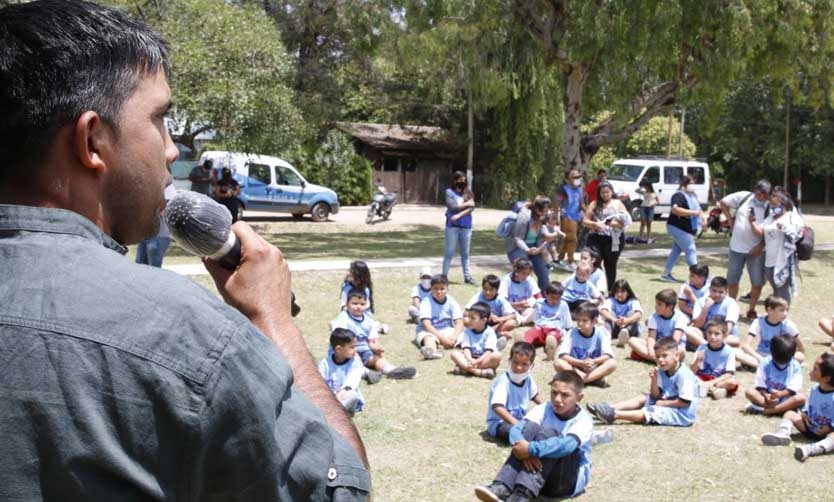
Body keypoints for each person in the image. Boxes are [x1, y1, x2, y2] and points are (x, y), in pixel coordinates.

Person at [0, 1, 369, 499]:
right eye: (159, 120)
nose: (172, 150)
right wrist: (273, 322)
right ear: (92, 140)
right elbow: (343, 488)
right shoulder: (190, 338)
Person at [475, 372, 594, 502]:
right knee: (530, 428)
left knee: (550, 434)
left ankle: (522, 495)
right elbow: (517, 429)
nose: (557, 399)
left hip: (565, 483)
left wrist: (530, 449)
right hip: (542, 478)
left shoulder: (584, 420)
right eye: (554, 393)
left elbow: (566, 446)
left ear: (579, 398)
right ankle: (503, 486)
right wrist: (524, 451)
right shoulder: (544, 408)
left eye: (565, 395)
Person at [587, 336, 699, 427]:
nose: (660, 360)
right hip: (666, 401)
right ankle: (609, 408)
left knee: (652, 412)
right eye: (658, 356)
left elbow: (685, 402)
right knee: (643, 398)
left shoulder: (685, 376)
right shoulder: (662, 370)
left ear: (677, 356)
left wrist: (663, 403)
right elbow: (656, 395)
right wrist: (654, 381)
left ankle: (614, 415)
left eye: (665, 356)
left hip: (681, 413)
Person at [760, 353, 834, 461]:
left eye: (815, 369)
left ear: (827, 378)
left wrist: (830, 427)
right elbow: (809, 406)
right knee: (790, 414)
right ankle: (783, 434)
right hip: (811, 427)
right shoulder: (815, 389)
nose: (811, 371)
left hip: (827, 432)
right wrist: (804, 414)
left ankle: (811, 449)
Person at [332, 289, 416, 380]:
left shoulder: (368, 320)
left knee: (377, 358)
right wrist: (351, 350)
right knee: (354, 358)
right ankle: (366, 373)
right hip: (347, 350)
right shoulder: (343, 318)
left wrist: (376, 347)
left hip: (365, 350)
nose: (358, 307)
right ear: (347, 305)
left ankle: (391, 370)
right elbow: (338, 337)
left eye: (362, 304)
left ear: (366, 305)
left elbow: (373, 339)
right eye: (355, 303)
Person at [718, 179, 772, 319]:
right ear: (756, 192)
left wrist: (760, 246)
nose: (764, 197)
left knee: (757, 282)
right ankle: (732, 307)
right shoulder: (744, 196)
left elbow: (771, 232)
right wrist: (730, 220)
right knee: (732, 280)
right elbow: (723, 202)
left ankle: (752, 309)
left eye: (766, 195)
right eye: (761, 194)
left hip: (757, 251)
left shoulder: (769, 207)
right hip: (736, 248)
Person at [749, 187, 804, 304]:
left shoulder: (791, 216)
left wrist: (784, 228)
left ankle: (782, 316)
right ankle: (777, 315)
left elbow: (798, 233)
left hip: (783, 261)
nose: (772, 207)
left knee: (782, 291)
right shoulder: (771, 217)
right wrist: (752, 222)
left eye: (775, 205)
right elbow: (761, 231)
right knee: (776, 290)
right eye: (771, 205)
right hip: (769, 261)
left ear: (783, 204)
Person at [485, 342, 544, 444]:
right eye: (515, 362)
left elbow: (535, 397)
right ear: (509, 361)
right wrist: (517, 424)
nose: (519, 367)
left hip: (520, 422)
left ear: (532, 366)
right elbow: (497, 407)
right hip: (500, 423)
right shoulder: (503, 382)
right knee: (515, 432)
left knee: (541, 428)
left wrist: (549, 409)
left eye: (524, 364)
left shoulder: (528, 380)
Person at [582, 181, 631, 295]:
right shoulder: (594, 204)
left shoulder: (618, 203)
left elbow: (626, 221)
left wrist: (614, 224)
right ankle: (595, 290)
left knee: (610, 265)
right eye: (602, 192)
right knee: (594, 262)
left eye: (607, 192)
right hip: (596, 237)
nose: (605, 195)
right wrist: (594, 224)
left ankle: (610, 291)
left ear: (611, 192)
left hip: (614, 239)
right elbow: (585, 221)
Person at [554, 303, 617, 387]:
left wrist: (594, 361)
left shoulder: (601, 333)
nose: (580, 323)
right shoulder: (572, 333)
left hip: (593, 367)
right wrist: (581, 363)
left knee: (612, 363)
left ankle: (583, 380)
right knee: (558, 363)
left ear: (594, 321)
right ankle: (593, 379)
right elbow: (563, 355)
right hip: (576, 368)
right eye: (578, 320)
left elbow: (608, 355)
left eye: (584, 320)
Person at [743, 334, 805, 416]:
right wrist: (766, 395)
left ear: (793, 355)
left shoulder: (795, 366)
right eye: (778, 359)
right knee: (749, 392)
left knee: (801, 398)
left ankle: (765, 410)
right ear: (771, 352)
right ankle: (778, 409)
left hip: (785, 398)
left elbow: (793, 388)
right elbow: (760, 383)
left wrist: (780, 394)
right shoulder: (765, 363)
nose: (781, 362)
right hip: (767, 398)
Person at [737, 295, 804, 369]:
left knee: (800, 356)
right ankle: (772, 366)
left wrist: (786, 356)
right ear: (770, 310)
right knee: (735, 353)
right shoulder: (759, 322)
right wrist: (760, 359)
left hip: (780, 358)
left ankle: (763, 366)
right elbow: (746, 346)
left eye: (786, 310)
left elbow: (801, 348)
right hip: (761, 356)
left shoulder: (788, 324)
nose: (785, 313)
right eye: (781, 310)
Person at [505, 196, 553, 291]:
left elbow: (541, 235)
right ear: (537, 209)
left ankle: (544, 299)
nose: (547, 212)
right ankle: (517, 294)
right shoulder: (525, 216)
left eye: (547, 209)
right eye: (544, 210)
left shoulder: (543, 217)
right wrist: (527, 250)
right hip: (518, 247)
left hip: (535, 248)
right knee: (523, 271)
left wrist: (543, 245)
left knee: (544, 274)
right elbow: (518, 238)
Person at [660, 175, 704, 283]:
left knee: (676, 250)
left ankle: (666, 274)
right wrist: (693, 213)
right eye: (691, 183)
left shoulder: (693, 195)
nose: (693, 186)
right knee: (690, 249)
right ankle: (697, 275)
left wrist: (703, 222)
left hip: (688, 227)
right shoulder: (678, 195)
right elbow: (675, 210)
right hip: (677, 227)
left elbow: (699, 210)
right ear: (684, 184)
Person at [319, 328, 371, 414]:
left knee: (352, 395)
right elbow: (320, 382)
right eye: (352, 347)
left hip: (346, 396)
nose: (355, 350)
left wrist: (341, 393)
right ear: (339, 349)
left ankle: (335, 411)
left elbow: (351, 382)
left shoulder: (355, 363)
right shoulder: (325, 364)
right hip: (330, 398)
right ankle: (332, 409)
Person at [628, 289, 687, 363]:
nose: (656, 307)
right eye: (656, 304)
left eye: (659, 304)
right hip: (657, 348)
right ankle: (659, 360)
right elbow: (651, 338)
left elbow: (675, 340)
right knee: (632, 340)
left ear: (670, 307)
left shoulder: (680, 317)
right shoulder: (653, 317)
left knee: (681, 351)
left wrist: (664, 352)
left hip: (672, 348)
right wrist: (651, 351)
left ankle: (657, 359)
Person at [416, 274, 464, 360]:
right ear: (431, 288)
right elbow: (426, 325)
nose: (439, 292)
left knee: (465, 335)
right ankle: (432, 351)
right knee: (428, 338)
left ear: (447, 289)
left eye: (442, 289)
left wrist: (453, 337)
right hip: (430, 331)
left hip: (447, 330)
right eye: (436, 289)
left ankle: (466, 349)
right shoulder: (426, 302)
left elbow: (459, 322)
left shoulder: (452, 301)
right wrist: (443, 339)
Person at [684, 276, 741, 348]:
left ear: (726, 292)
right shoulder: (701, 302)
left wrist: (716, 338)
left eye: (721, 292)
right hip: (705, 335)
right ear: (709, 290)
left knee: (735, 341)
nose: (717, 295)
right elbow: (697, 325)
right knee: (686, 330)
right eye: (714, 291)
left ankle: (704, 345)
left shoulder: (731, 303)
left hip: (723, 336)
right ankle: (708, 346)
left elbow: (729, 328)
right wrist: (706, 307)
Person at [522, 281, 573, 361]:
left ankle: (550, 350)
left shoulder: (563, 304)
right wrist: (524, 320)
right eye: (552, 298)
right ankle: (522, 347)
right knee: (530, 333)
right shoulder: (539, 302)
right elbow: (534, 314)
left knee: (552, 336)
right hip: (540, 326)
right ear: (546, 294)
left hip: (554, 328)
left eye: (558, 298)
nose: (555, 301)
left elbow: (567, 317)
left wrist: (568, 328)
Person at [450, 302, 502, 379]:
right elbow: (466, 348)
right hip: (470, 358)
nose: (469, 320)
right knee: (454, 354)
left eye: (473, 318)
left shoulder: (490, 332)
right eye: (469, 317)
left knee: (497, 356)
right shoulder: (467, 331)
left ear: (484, 320)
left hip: (484, 359)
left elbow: (488, 351)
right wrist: (470, 360)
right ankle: (479, 372)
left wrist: (477, 362)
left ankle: (465, 369)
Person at [690, 319, 739, 400]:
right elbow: (692, 371)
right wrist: (697, 361)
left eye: (717, 334)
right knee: (686, 377)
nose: (712, 337)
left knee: (732, 382)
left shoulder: (729, 351)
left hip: (719, 379)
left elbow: (729, 374)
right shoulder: (702, 348)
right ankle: (712, 390)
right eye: (709, 333)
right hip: (702, 378)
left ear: (725, 335)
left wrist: (711, 382)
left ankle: (707, 388)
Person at [443, 170, 476, 285]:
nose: (462, 182)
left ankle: (467, 277)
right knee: (449, 252)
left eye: (464, 180)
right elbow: (452, 207)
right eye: (460, 180)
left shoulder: (468, 192)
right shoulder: (449, 192)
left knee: (465, 253)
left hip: (466, 226)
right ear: (455, 180)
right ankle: (444, 277)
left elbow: (472, 208)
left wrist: (458, 215)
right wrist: (467, 204)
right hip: (452, 227)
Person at [465, 274, 518, 342]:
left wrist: (499, 319)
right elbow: (466, 312)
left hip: (495, 325)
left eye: (491, 290)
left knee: (512, 323)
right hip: (480, 323)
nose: (488, 292)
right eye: (485, 289)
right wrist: (482, 315)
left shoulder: (500, 299)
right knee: (466, 320)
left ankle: (491, 334)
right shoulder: (478, 296)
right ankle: (496, 335)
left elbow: (513, 315)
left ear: (497, 289)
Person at [135, 182, 177, 267]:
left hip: (159, 236)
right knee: (140, 266)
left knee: (154, 267)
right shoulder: (149, 185)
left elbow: (167, 209)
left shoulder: (167, 186)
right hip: (145, 235)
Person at [554, 170, 586, 272]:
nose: (577, 179)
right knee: (573, 239)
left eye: (579, 177)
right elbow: (557, 203)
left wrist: (589, 212)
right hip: (566, 217)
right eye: (574, 177)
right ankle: (570, 261)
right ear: (568, 179)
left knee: (567, 238)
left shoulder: (580, 190)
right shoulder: (563, 189)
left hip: (575, 218)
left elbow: (581, 205)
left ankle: (559, 258)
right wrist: (555, 217)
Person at [600, 279, 643, 348]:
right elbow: (603, 311)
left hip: (629, 328)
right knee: (610, 314)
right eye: (617, 292)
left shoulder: (633, 301)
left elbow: (639, 314)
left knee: (631, 313)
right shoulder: (610, 300)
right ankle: (607, 337)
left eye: (622, 292)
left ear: (628, 292)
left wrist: (627, 320)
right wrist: (615, 320)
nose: (619, 294)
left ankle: (625, 334)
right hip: (615, 327)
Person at [499, 258, 542, 326]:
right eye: (523, 273)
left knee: (539, 311)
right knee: (509, 313)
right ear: (517, 271)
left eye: (528, 274)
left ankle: (522, 320)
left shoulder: (529, 280)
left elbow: (539, 296)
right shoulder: (506, 281)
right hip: (511, 309)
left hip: (524, 309)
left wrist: (536, 304)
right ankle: (523, 320)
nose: (525, 276)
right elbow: (502, 303)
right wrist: (517, 304)